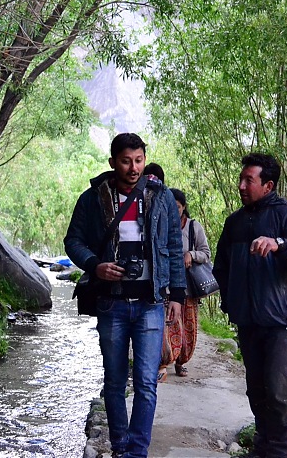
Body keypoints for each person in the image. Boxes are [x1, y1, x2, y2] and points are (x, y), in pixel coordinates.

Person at [64, 133, 185, 458]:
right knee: (115, 382)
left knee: (146, 382)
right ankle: (120, 447)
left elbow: (174, 245)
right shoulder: (93, 199)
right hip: (111, 303)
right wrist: (95, 265)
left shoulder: (160, 197)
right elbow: (73, 240)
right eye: (126, 161)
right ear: (113, 163)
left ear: (144, 160)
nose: (133, 168)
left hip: (150, 305)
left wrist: (177, 295)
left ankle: (136, 452)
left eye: (139, 160)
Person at [213, 153, 287, 458]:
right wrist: (231, 303)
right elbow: (222, 268)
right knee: (257, 391)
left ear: (268, 185)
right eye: (241, 179)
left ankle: (284, 453)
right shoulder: (234, 223)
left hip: (282, 323)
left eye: (249, 180)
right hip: (248, 322)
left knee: (279, 392)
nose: (241, 186)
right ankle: (263, 449)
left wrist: (279, 245)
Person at [157, 188, 210, 381]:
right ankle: (163, 363)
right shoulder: (160, 225)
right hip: (165, 287)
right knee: (166, 325)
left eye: (177, 207)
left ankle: (181, 361)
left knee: (187, 326)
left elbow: (206, 253)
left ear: (184, 207)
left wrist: (191, 255)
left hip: (187, 287)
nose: (174, 210)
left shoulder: (194, 228)